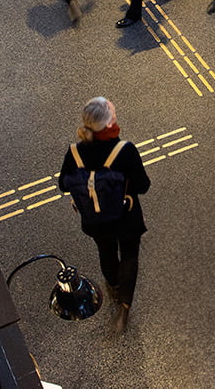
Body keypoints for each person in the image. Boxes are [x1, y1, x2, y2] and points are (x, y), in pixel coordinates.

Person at [58, 97, 150, 335]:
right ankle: (124, 307)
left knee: (106, 250)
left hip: (94, 219)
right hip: (126, 216)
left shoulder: (74, 152)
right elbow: (143, 185)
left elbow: (63, 185)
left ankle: (114, 285)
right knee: (129, 255)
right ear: (109, 123)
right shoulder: (125, 150)